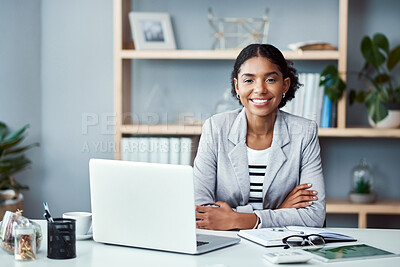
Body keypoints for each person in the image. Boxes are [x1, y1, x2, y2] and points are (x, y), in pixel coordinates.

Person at [194, 43, 326, 230]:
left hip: (282, 247)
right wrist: (281, 210)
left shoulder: (304, 132)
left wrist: (237, 219)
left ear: (285, 85)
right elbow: (199, 212)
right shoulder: (216, 128)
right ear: (237, 86)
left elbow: (314, 216)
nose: (260, 89)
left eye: (270, 80)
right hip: (226, 245)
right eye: (249, 80)